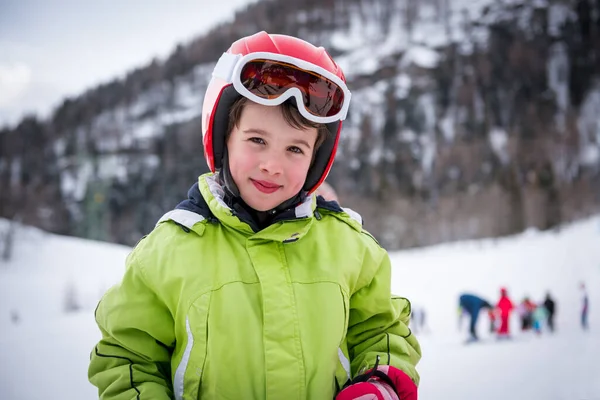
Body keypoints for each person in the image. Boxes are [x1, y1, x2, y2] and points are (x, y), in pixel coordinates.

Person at [88, 31, 421, 400]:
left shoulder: (349, 248)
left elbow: (382, 331)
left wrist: (380, 383)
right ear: (223, 137)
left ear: (315, 160)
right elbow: (127, 358)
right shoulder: (167, 252)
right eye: (257, 140)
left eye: (295, 148)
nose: (273, 166)